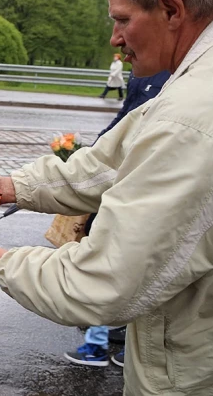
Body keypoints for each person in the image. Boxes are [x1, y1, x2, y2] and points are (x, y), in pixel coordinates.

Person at [0, 0, 213, 395]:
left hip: (203, 374)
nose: (115, 38)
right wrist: (12, 186)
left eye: (122, 20)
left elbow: (107, 281)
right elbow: (111, 161)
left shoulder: (193, 120)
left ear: (170, 10)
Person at [63, 70, 170, 368]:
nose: (117, 41)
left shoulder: (187, 76)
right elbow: (123, 122)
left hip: (148, 195)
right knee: (106, 257)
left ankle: (121, 344)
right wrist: (88, 155)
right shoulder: (144, 73)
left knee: (139, 265)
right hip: (118, 189)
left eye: (124, 21)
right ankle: (99, 343)